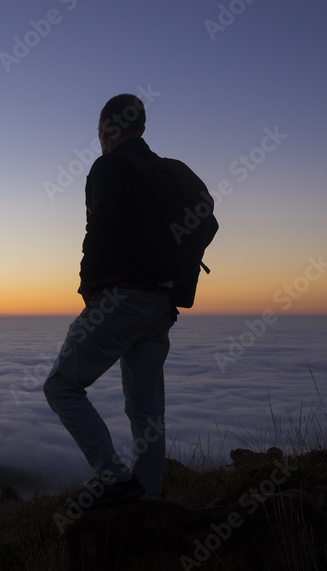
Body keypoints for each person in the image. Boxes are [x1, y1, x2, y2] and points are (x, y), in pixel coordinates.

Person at [43, 93, 216, 506]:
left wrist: (89, 291)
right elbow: (207, 223)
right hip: (161, 308)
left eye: (100, 132)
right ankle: (149, 503)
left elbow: (97, 231)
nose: (99, 140)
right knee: (147, 415)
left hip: (120, 300)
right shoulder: (170, 172)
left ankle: (115, 477)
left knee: (61, 386)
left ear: (108, 129)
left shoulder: (110, 166)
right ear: (141, 128)